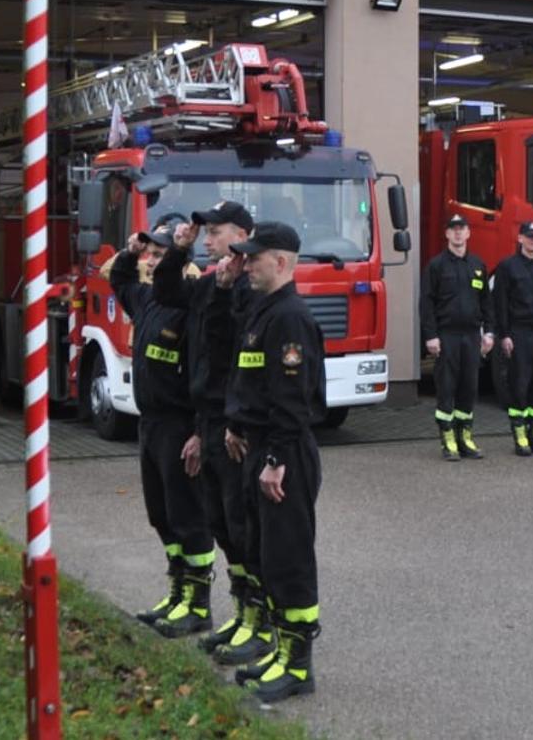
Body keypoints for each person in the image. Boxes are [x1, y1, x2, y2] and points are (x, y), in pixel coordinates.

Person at [154, 201, 272, 666]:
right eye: (201, 234)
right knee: (222, 525)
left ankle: (259, 623)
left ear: (240, 235)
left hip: (233, 427)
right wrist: (177, 253)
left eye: (213, 232)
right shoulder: (208, 284)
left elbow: (236, 359)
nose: (205, 240)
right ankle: (242, 614)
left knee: (243, 526)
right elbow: (165, 294)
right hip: (206, 421)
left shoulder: (250, 287)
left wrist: (229, 426)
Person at [221, 222, 327, 703]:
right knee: (265, 554)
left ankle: (299, 666)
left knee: (289, 561)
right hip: (260, 445)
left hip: (283, 453)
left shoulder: (289, 318)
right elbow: (251, 383)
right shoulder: (263, 312)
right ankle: (281, 650)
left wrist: (276, 460)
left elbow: (293, 399)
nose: (246, 264)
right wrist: (237, 427)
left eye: (255, 257)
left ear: (281, 262)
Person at [109, 222, 213, 639]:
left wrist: (198, 433)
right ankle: (177, 591)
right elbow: (119, 279)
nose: (151, 261)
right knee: (163, 515)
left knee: (189, 516)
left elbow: (205, 377)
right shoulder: (147, 298)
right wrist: (130, 250)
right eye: (150, 254)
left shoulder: (191, 308)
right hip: (149, 424)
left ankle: (198, 604)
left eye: (158, 254)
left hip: (179, 425)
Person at [420, 214, 493, 461]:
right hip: (447, 336)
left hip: (471, 336)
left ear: (468, 233)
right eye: (454, 229)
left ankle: (466, 438)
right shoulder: (436, 266)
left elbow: (486, 302)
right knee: (447, 387)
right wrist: (430, 336)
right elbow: (427, 303)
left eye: (462, 229)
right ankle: (448, 439)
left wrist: (489, 332)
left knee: (469, 387)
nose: (459, 233)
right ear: (447, 234)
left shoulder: (477, 265)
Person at [492, 221, 533, 456]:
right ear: (520, 238)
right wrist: (505, 335)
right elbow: (499, 304)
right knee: (519, 384)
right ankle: (519, 435)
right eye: (529, 236)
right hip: (519, 332)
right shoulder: (508, 267)